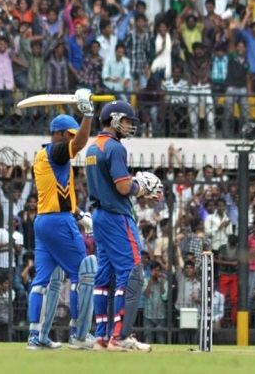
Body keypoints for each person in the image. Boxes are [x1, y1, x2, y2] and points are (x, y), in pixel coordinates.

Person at [85, 100, 163, 352]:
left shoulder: (91, 148)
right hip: (117, 216)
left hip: (99, 216)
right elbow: (122, 187)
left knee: (103, 277)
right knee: (132, 273)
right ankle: (121, 336)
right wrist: (141, 188)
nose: (130, 125)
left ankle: (101, 337)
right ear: (115, 119)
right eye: (127, 120)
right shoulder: (115, 148)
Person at [27, 89, 97, 351]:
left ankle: (36, 337)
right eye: (68, 135)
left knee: (42, 282)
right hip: (57, 222)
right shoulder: (56, 151)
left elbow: (60, 194)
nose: (73, 140)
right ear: (57, 134)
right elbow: (80, 144)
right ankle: (79, 335)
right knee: (83, 273)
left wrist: (78, 214)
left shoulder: (44, 155)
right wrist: (88, 113)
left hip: (44, 221)